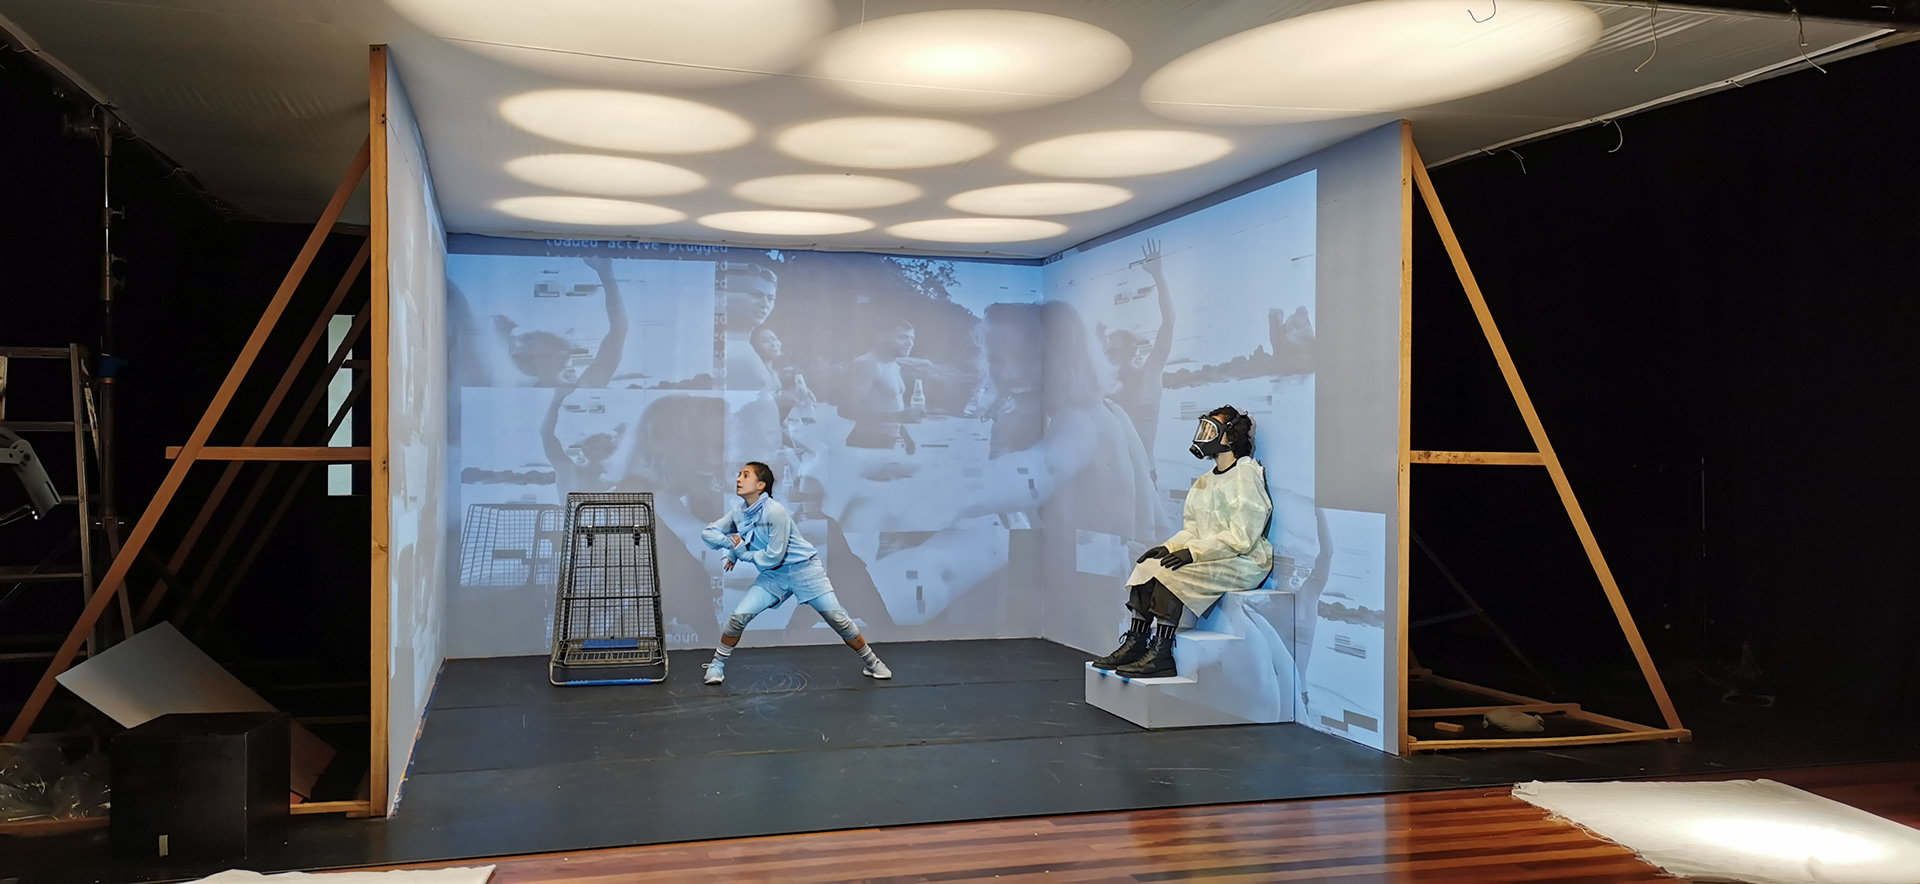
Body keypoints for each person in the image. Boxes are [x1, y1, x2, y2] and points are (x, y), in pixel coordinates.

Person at [1092, 405, 1274, 679]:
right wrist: (1170, 547)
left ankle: (1162, 652)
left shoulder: (1245, 474)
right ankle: (1136, 642)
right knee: (1149, 567)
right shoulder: (1204, 481)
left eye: (1212, 430)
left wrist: (1194, 553)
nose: (1203, 436)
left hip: (1243, 560)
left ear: (1230, 437)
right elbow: (1193, 529)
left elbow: (1242, 537)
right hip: (1213, 554)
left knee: (1171, 575)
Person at [700, 461, 892, 685]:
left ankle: (872, 662)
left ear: (761, 485)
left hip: (805, 571)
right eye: (739, 474)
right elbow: (708, 534)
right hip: (775, 576)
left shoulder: (776, 512)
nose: (738, 479)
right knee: (738, 617)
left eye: (745, 475)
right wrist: (731, 545)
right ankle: (716, 666)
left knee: (838, 619)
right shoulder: (739, 513)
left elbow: (773, 556)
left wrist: (741, 552)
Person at [1101, 240, 1175, 459]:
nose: (1116, 357)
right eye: (1111, 352)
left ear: (1132, 350)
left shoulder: (1150, 374)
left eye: (1120, 351)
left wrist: (1158, 275)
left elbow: (1169, 322)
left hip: (1145, 470)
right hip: (1116, 471)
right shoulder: (1106, 390)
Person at [839, 320, 924, 451]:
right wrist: (898, 417)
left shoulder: (895, 367)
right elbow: (845, 409)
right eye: (903, 337)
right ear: (882, 337)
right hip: (867, 442)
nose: (910, 343)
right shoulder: (867, 364)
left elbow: (890, 405)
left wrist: (905, 436)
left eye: (912, 338)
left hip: (888, 441)